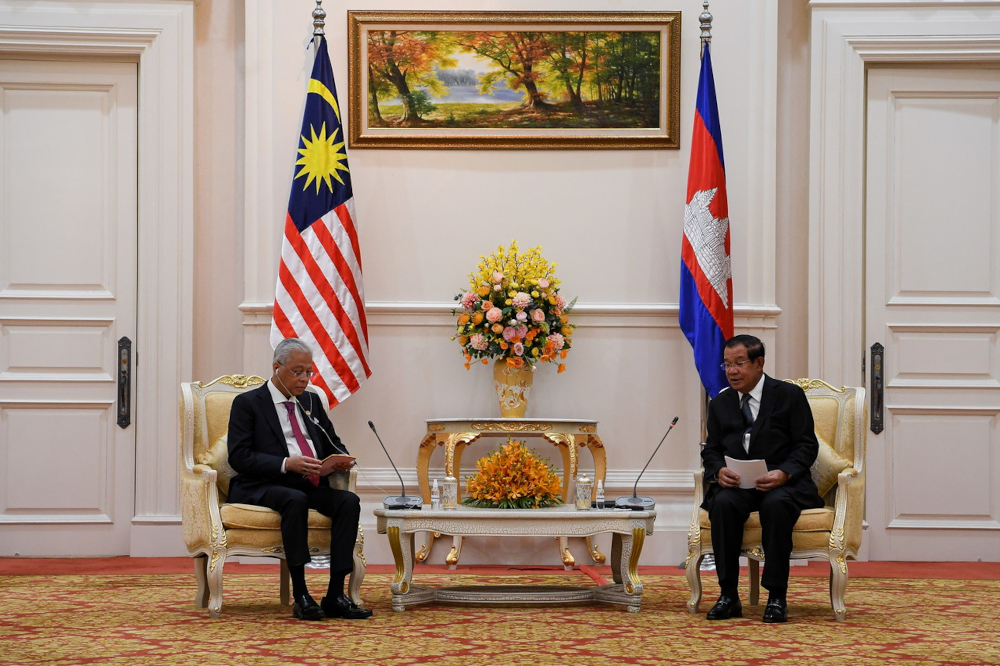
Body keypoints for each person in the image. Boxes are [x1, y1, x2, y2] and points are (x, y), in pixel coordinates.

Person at [226, 337, 372, 621]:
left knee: (348, 502)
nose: (305, 379)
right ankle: (302, 595)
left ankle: (335, 595)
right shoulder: (248, 404)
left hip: (309, 480)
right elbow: (239, 457)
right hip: (264, 484)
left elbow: (332, 444)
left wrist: (339, 460)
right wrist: (285, 464)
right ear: (277, 367)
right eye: (298, 371)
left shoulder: (311, 401)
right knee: (295, 499)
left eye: (309, 372)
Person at [701, 334, 823, 623]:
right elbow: (712, 450)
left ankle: (777, 597)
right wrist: (719, 470)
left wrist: (785, 473)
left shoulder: (788, 396)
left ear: (759, 363)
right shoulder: (721, 403)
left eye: (739, 363)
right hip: (739, 485)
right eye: (727, 365)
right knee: (723, 504)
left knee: (777, 505)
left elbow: (806, 444)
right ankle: (728, 595)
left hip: (782, 484)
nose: (731, 371)